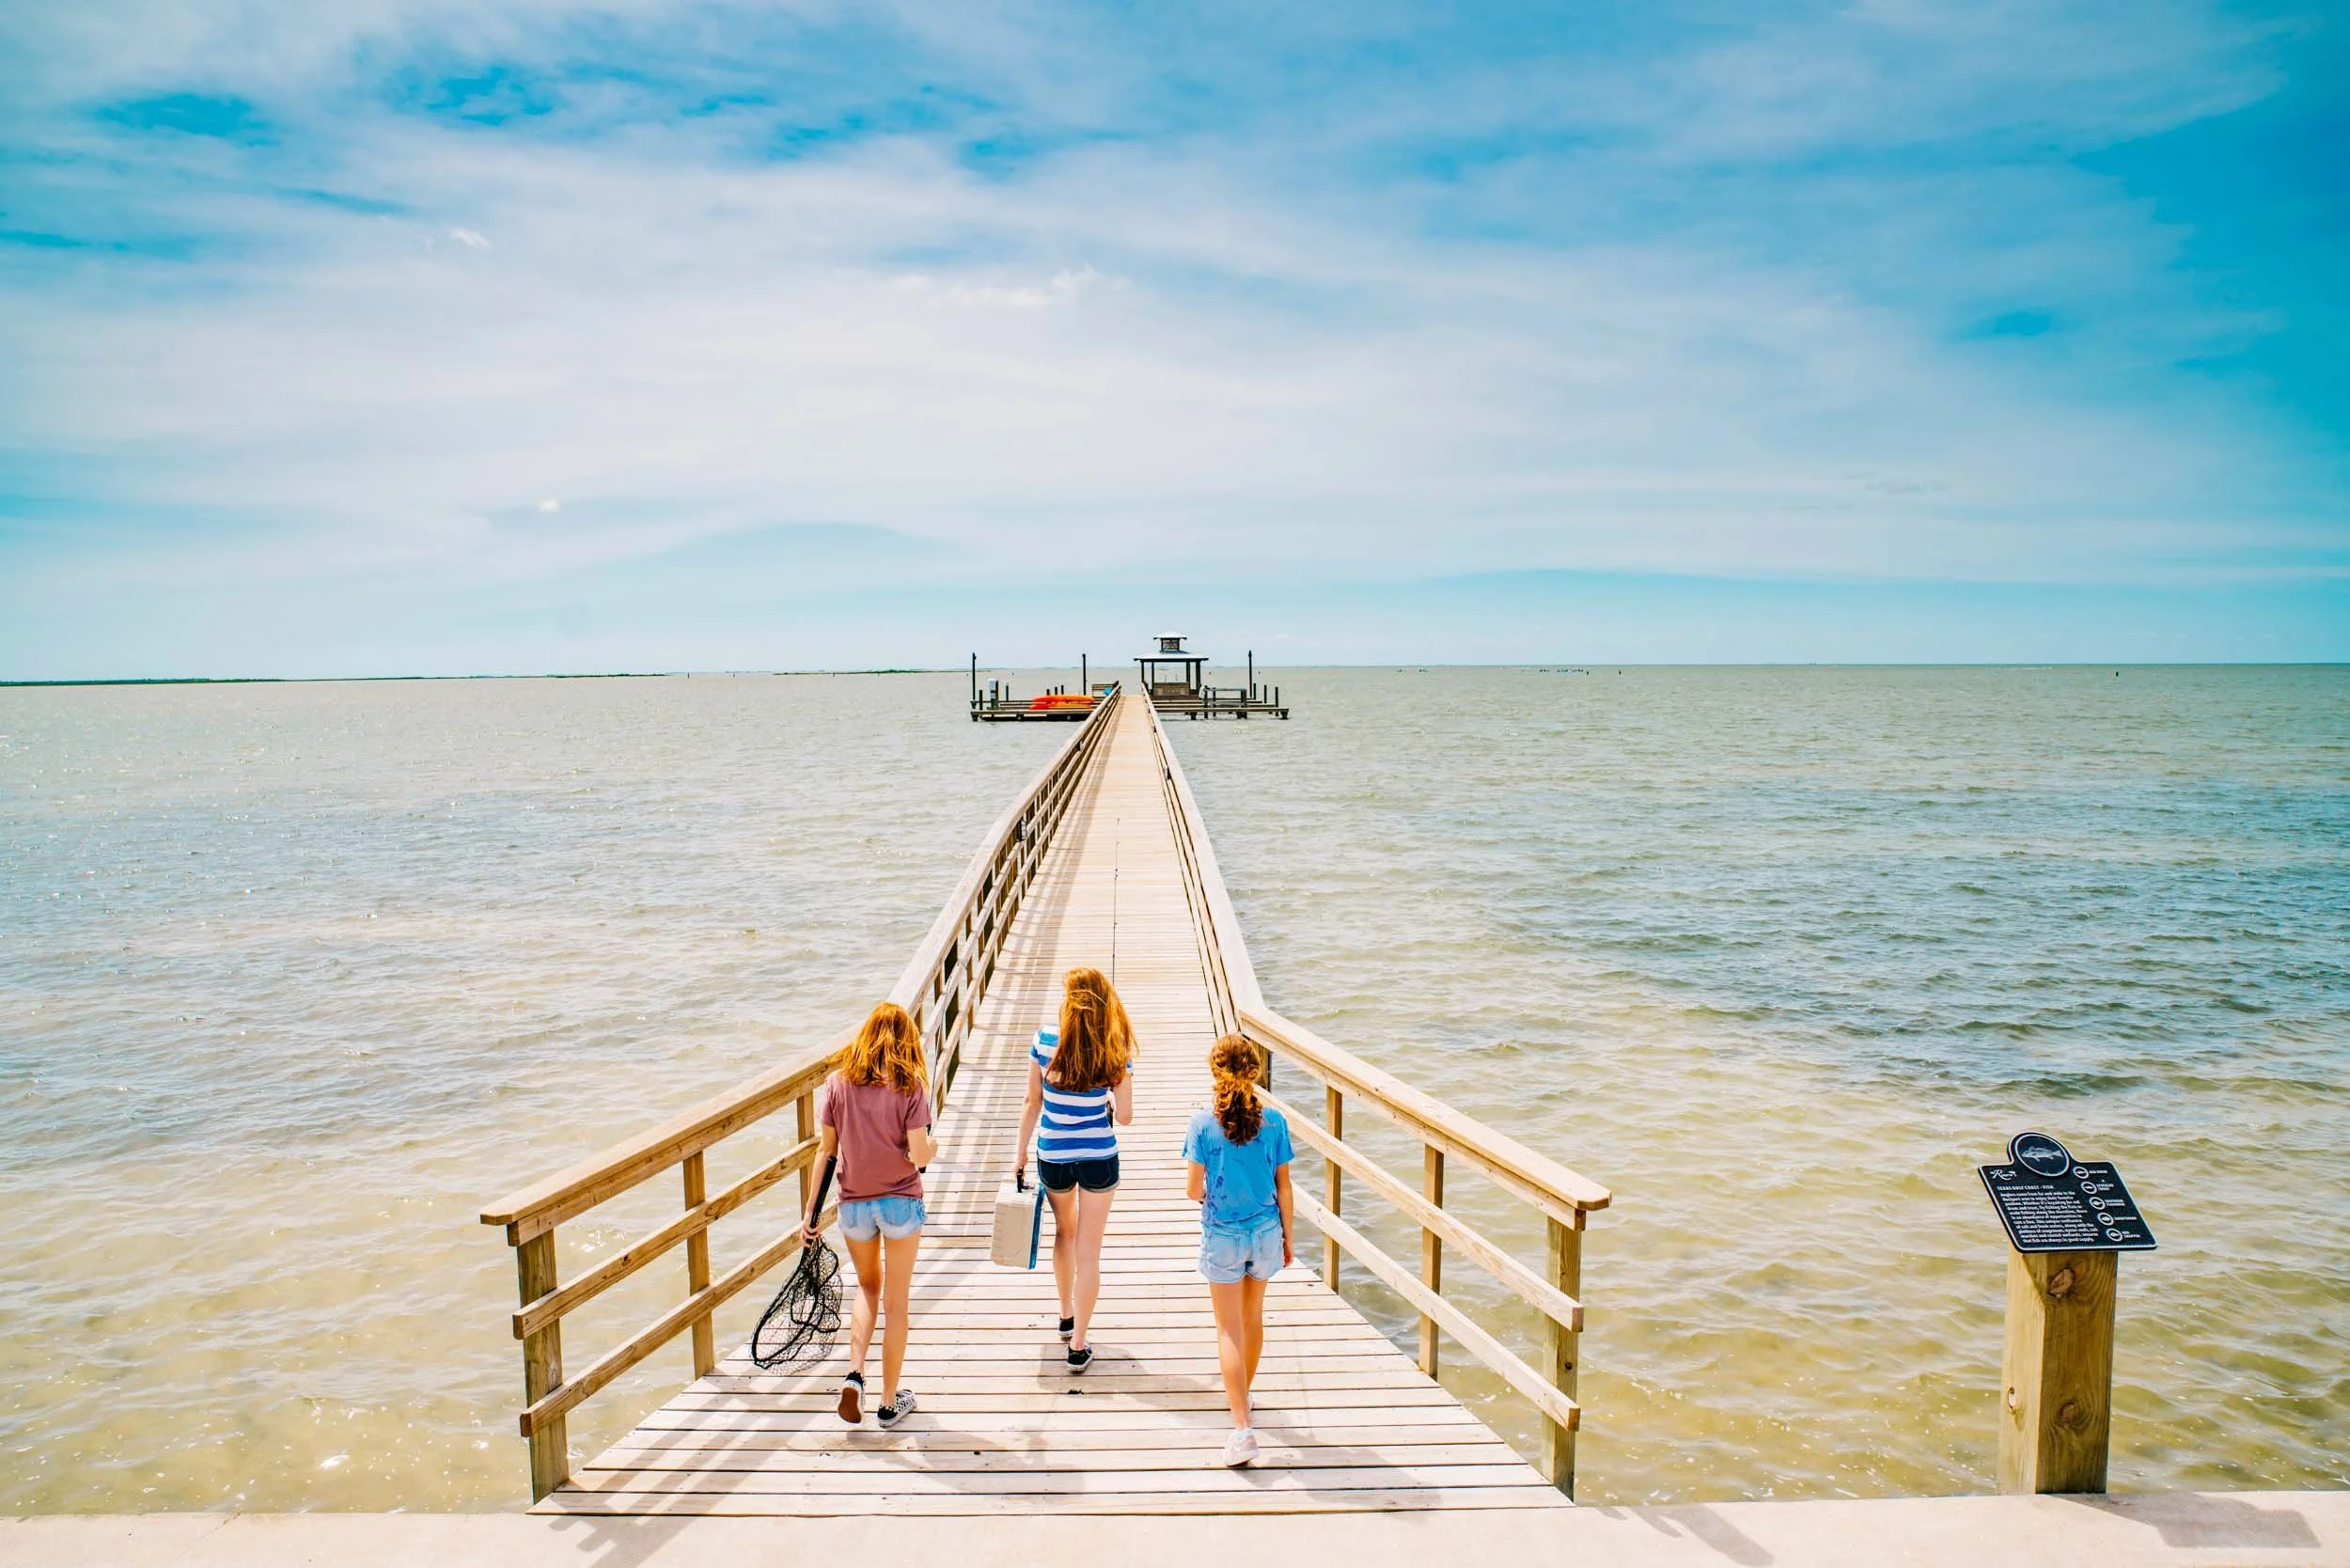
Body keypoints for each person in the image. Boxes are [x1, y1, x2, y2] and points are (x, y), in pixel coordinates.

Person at [804, 1000, 938, 1429]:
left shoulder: (837, 1084)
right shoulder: (911, 1086)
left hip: (853, 1204)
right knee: (897, 1304)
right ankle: (887, 1402)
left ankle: (855, 1373)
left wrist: (810, 1215)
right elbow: (919, 1156)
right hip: (899, 1202)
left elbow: (825, 1152)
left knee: (866, 1289)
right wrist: (932, 1149)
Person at [1010, 965, 1135, 1372]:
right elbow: (1128, 1117)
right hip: (1099, 1156)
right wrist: (1111, 1103)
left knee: (1063, 1233)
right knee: (1089, 1247)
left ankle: (1065, 1314)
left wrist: (1020, 1153)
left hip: (1053, 1154)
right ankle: (1078, 1344)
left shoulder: (1044, 1040)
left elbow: (1032, 1102)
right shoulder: (1114, 1048)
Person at [1183, 1034, 1294, 1467]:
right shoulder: (1275, 1122)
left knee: (1228, 1329)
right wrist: (1289, 1237)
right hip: (1267, 1231)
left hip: (1224, 1234)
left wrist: (1212, 1193)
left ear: (1215, 1072)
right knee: (1252, 1319)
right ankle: (1243, 1396)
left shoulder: (1201, 1124)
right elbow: (1284, 1188)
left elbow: (1193, 1189)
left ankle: (1242, 1428)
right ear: (1255, 1070)